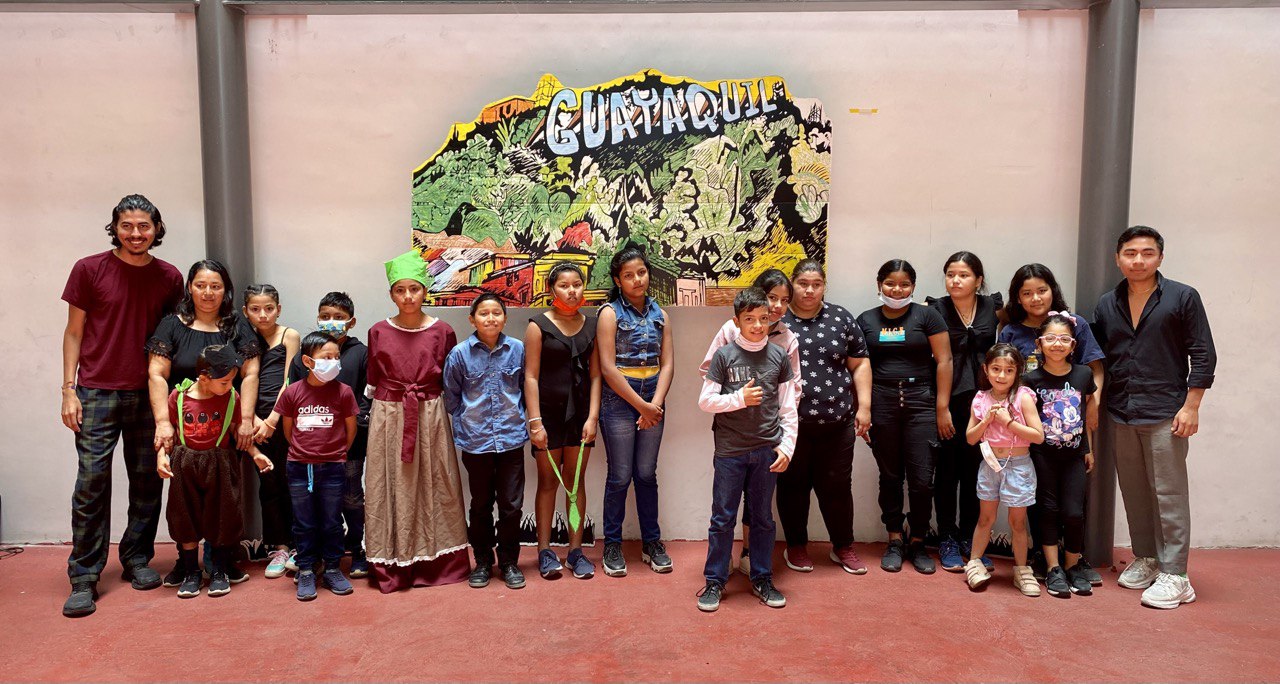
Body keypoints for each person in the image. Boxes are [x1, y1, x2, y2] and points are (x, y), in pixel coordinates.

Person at [60, 194, 185, 617]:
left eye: (144, 226)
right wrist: (68, 389)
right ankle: (84, 576)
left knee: (148, 480)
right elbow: (74, 332)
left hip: (149, 393)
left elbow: (173, 337)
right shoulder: (88, 269)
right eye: (127, 225)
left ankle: (136, 558)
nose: (135, 233)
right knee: (91, 482)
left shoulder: (169, 277)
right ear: (114, 228)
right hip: (96, 390)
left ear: (157, 229)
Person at [1093, 226, 1216, 610]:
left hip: (1167, 412)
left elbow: (1203, 353)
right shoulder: (1107, 304)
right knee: (1134, 491)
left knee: (1169, 494)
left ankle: (1177, 575)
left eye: (1147, 253)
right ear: (1118, 258)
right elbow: (1099, 356)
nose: (1138, 260)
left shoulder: (1182, 296)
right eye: (1130, 253)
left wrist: (1192, 405)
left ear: (1160, 257)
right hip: (1122, 410)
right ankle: (1147, 558)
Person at [146, 259, 262, 587]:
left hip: (224, 426)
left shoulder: (236, 324)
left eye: (215, 286)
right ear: (189, 287)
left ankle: (219, 563)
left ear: (226, 290)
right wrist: (163, 423)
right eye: (200, 285)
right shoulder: (172, 325)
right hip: (185, 428)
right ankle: (187, 565)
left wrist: (246, 420)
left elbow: (251, 372)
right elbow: (157, 373)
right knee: (185, 503)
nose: (208, 293)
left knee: (222, 500)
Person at [363, 251, 470, 592]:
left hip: (429, 412)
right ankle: (391, 559)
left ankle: (436, 561)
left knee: (435, 480)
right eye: (400, 290)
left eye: (414, 289)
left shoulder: (443, 331)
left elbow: (450, 377)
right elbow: (373, 378)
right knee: (389, 481)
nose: (408, 296)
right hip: (389, 413)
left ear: (425, 291)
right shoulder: (378, 331)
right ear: (391, 294)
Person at [997, 263, 1105, 584]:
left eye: (1041, 290)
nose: (1035, 298)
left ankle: (1074, 559)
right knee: (1040, 501)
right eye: (1027, 293)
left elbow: (1094, 370)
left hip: (1072, 433)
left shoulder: (1075, 324)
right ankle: (1044, 558)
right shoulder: (1011, 332)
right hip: (1031, 434)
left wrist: (1094, 405)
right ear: (1017, 297)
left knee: (1073, 505)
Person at [696, 287, 797, 612]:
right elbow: (705, 401)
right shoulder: (724, 355)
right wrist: (740, 399)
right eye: (749, 319)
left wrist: (787, 447)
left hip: (766, 450)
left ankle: (762, 577)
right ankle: (714, 580)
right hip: (730, 451)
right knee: (722, 518)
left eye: (763, 319)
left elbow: (788, 407)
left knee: (763, 519)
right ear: (736, 321)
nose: (757, 325)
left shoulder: (779, 356)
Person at [856, 259, 952, 574]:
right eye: (890, 284)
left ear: (913, 286)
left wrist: (942, 408)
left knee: (922, 481)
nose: (897, 290)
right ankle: (895, 540)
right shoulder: (866, 320)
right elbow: (858, 366)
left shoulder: (928, 316)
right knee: (890, 477)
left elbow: (944, 361)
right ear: (879, 284)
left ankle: (919, 541)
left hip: (921, 402)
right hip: (882, 402)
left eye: (904, 284)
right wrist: (863, 408)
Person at [156, 345, 273, 599]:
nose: (230, 386)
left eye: (232, 380)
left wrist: (255, 454)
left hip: (220, 463)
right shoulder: (178, 396)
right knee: (184, 517)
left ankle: (219, 569)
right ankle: (191, 571)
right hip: (184, 463)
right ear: (204, 378)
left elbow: (235, 431)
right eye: (224, 381)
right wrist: (161, 456)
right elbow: (169, 434)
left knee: (223, 516)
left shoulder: (231, 398)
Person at [778, 258, 871, 574]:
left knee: (837, 487)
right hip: (791, 425)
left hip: (838, 422)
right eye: (803, 284)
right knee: (793, 487)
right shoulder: (777, 319)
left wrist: (865, 407)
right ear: (792, 284)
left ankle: (843, 546)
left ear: (824, 287)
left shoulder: (840, 318)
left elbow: (860, 363)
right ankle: (796, 546)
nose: (809, 290)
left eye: (816, 285)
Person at [278, 292, 372, 578]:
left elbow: (368, 394)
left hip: (349, 445)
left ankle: (356, 549)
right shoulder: (302, 357)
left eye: (339, 317)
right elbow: (293, 401)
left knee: (351, 498)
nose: (331, 321)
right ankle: (313, 555)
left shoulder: (362, 353)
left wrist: (349, 431)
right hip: (309, 449)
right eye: (325, 316)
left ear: (351, 322)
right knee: (312, 503)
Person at [596, 246, 674, 577]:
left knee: (645, 474)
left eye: (641, 272)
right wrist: (642, 406)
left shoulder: (661, 314)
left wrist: (655, 404)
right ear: (618, 280)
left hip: (653, 398)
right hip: (619, 401)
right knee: (619, 475)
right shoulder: (609, 314)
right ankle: (612, 544)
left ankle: (651, 542)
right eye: (628, 275)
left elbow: (667, 364)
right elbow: (607, 368)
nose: (637, 279)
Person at [444, 293, 529, 590]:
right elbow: (451, 396)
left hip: (511, 439)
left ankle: (509, 562)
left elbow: (525, 388)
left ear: (505, 318)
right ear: (472, 319)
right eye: (483, 313)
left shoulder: (518, 349)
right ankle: (481, 561)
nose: (490, 318)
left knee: (511, 505)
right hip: (475, 440)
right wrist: (467, 419)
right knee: (480, 504)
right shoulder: (459, 354)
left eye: (496, 313)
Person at [524, 263, 602, 580]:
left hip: (581, 417)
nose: (572, 291)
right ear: (551, 289)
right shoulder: (538, 325)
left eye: (577, 284)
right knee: (548, 482)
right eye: (564, 285)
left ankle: (575, 552)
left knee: (575, 482)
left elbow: (596, 376)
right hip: (547, 415)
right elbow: (530, 376)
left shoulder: (592, 326)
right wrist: (535, 422)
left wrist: (593, 417)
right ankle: (544, 550)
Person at [927, 252, 1001, 573]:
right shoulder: (935, 310)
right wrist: (940, 408)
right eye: (950, 274)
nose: (956, 280)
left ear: (978, 280)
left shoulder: (992, 308)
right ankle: (946, 537)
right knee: (946, 472)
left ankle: (972, 539)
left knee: (976, 472)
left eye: (964, 275)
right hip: (948, 401)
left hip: (983, 403)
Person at [274, 332, 360, 601]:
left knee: (332, 521)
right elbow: (288, 430)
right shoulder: (293, 392)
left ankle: (333, 568)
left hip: (333, 467)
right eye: (326, 357)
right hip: (299, 467)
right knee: (303, 523)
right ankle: (307, 569)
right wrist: (304, 452)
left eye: (336, 357)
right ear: (308, 361)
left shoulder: (344, 392)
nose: (333, 362)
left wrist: (335, 453)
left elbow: (351, 429)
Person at [962, 343, 1045, 597]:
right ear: (986, 369)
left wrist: (1008, 422)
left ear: (1017, 371)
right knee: (984, 519)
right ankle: (975, 563)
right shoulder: (980, 398)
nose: (1001, 375)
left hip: (1018, 466)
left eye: (1009, 370)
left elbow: (1038, 435)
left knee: (1017, 522)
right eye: (996, 369)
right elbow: (970, 438)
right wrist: (987, 420)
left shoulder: (1023, 397)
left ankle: (1021, 569)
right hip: (989, 465)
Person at [1024, 313, 1097, 598]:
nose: (1057, 344)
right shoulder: (1030, 380)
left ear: (1073, 345)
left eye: (1064, 339)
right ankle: (1053, 568)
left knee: (1074, 512)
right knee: (1048, 510)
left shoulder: (1084, 375)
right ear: (1039, 344)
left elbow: (1084, 415)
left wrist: (1088, 449)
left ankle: (1072, 565)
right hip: (1042, 456)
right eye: (1051, 338)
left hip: (1074, 455)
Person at [241, 284, 299, 578]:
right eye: (255, 309)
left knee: (293, 481)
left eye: (269, 308)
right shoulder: (243, 339)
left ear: (279, 309)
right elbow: (240, 380)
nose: (262, 315)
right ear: (245, 311)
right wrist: (250, 419)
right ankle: (279, 546)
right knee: (269, 484)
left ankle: (299, 544)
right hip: (252, 423)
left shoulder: (289, 335)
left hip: (283, 419)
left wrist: (273, 420)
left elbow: (290, 380)